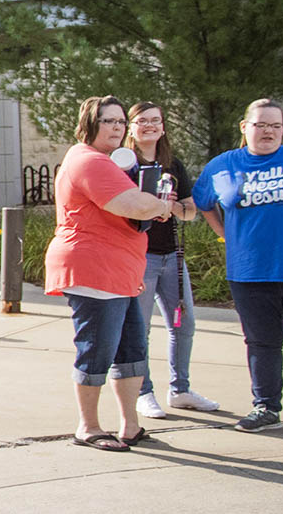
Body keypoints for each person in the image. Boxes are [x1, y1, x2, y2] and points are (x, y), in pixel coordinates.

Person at [45, 96, 176, 452]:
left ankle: (130, 426)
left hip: (121, 271)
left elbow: (136, 202)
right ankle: (87, 427)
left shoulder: (106, 162)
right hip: (94, 270)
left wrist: (152, 202)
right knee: (97, 350)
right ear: (90, 124)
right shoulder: (89, 160)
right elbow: (130, 205)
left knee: (132, 349)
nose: (117, 127)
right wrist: (162, 204)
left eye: (120, 121)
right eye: (108, 121)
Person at [192, 98, 283, 433]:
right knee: (262, 342)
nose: (268, 131)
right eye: (260, 125)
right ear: (244, 127)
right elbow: (203, 201)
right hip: (250, 274)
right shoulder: (223, 166)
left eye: (275, 126)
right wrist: (223, 233)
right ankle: (266, 407)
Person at [124, 102, 221, 418]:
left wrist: (171, 207)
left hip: (172, 258)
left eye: (156, 120)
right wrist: (150, 206)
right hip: (141, 257)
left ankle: (180, 390)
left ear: (163, 127)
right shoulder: (125, 165)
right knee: (140, 329)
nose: (150, 125)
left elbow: (191, 212)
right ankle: (143, 391)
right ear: (131, 127)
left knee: (183, 324)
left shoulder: (173, 165)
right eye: (142, 120)